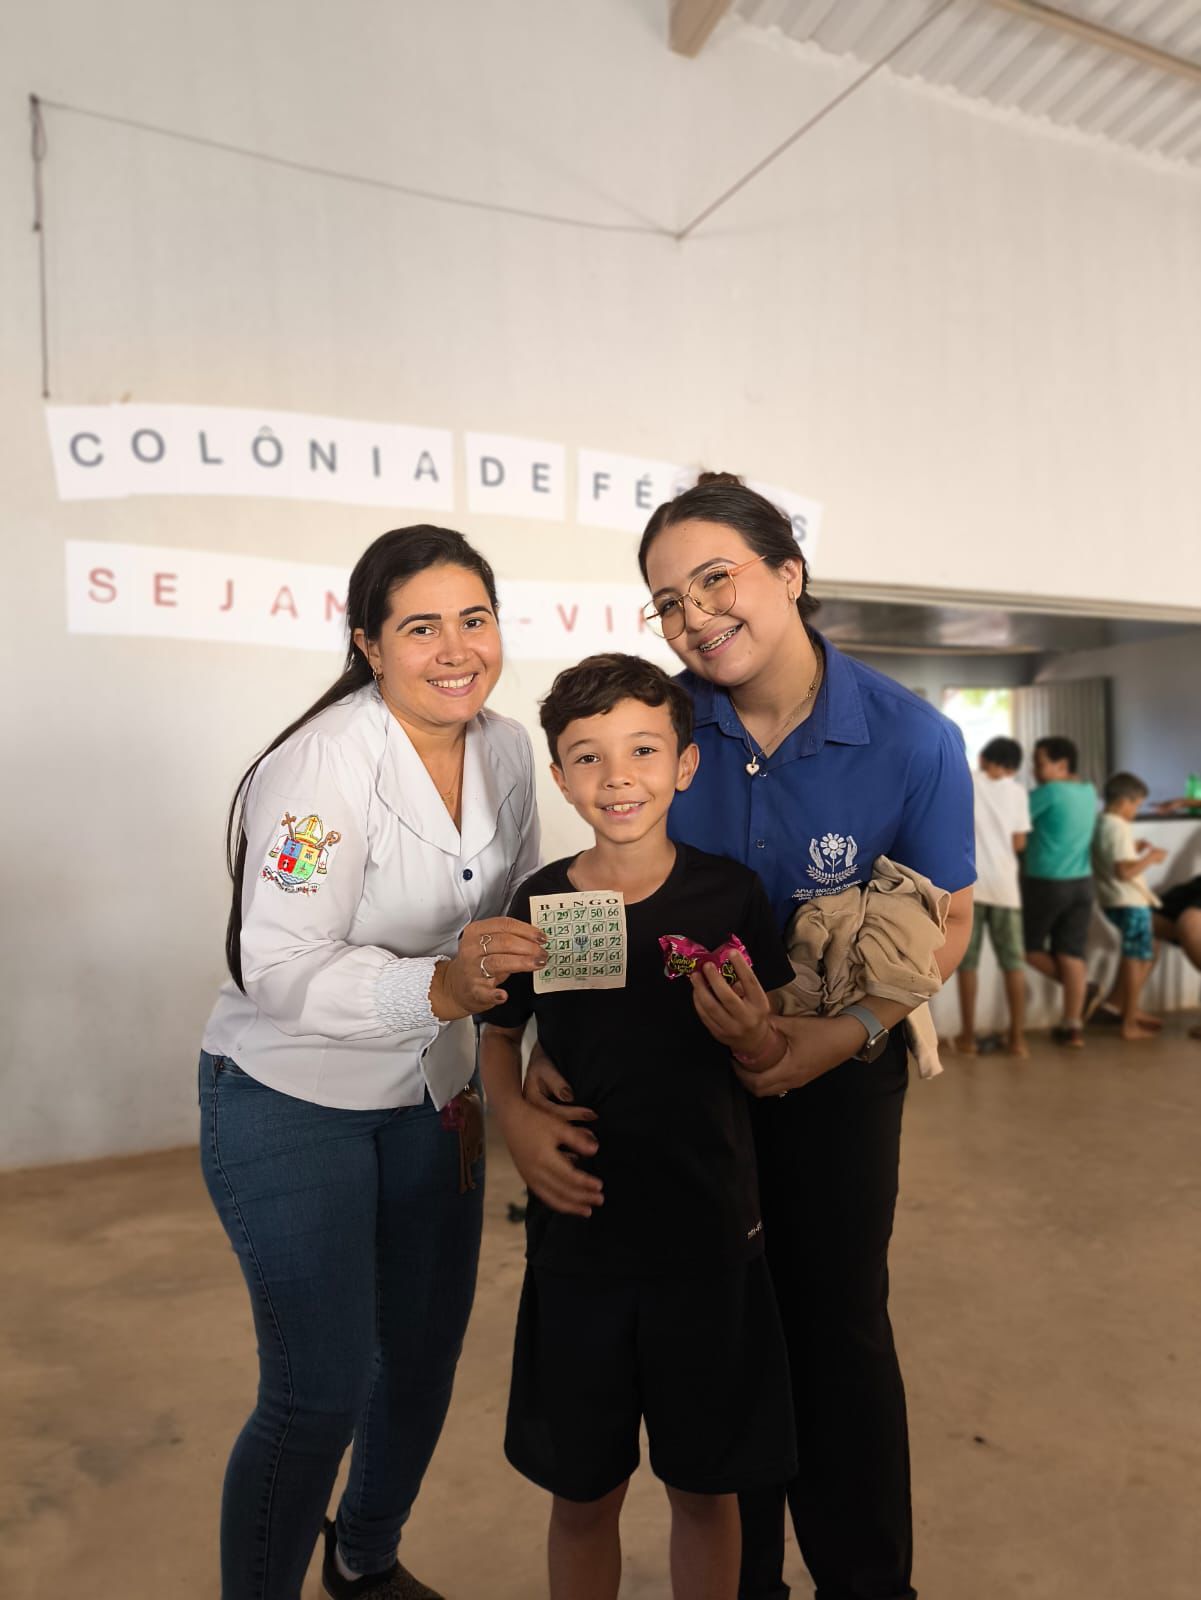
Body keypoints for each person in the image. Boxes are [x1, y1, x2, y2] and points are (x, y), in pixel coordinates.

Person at [526, 475, 975, 1600]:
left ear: (789, 571)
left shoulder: (909, 738)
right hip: (686, 1093)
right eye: (668, 601)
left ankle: (866, 1582)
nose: (695, 615)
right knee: (723, 1335)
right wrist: (537, 1061)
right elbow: (599, 902)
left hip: (839, 1077)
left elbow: (948, 924)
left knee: (836, 1328)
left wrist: (836, 1036)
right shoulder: (660, 729)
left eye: (715, 578)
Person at [198, 526, 547, 1600]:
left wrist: (531, 1040)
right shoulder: (321, 764)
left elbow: (516, 917)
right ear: (369, 643)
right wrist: (436, 989)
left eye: (474, 619)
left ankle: (364, 1558)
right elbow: (276, 966)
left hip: (434, 1097)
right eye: (421, 627)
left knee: (424, 1355)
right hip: (290, 1096)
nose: (455, 649)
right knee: (318, 1390)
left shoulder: (506, 748)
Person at [481, 653, 798, 1600]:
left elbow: (772, 1048)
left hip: (708, 1240)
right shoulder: (543, 900)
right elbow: (497, 1032)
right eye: (588, 756)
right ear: (559, 775)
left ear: (685, 765)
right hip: (579, 1247)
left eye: (643, 750)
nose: (617, 777)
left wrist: (755, 1038)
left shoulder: (730, 895)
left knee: (705, 1488)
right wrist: (513, 1120)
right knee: (583, 1495)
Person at [954, 736, 1031, 1057]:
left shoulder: (967, 781)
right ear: (1013, 766)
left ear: (985, 757)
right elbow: (1019, 844)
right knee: (1013, 964)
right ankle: (1017, 1040)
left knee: (967, 965)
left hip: (970, 887)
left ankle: (968, 1039)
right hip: (1005, 889)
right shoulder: (1018, 793)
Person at [1022, 736, 1098, 1049]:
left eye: (1040, 764)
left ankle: (1084, 989)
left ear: (1062, 765)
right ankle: (1073, 1026)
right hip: (1083, 882)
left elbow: (1014, 820)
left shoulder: (1049, 792)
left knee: (1028, 949)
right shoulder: (1089, 791)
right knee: (1070, 953)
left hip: (1047, 882)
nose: (1035, 771)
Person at [1091, 772, 1167, 1042]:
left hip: (1113, 899)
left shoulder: (1102, 822)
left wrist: (1133, 847)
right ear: (1124, 802)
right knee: (1135, 958)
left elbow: (1111, 855)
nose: (1135, 811)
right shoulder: (1120, 827)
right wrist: (1151, 858)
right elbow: (1124, 872)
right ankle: (1129, 1022)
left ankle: (1129, 1009)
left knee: (1148, 950)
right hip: (1129, 900)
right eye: (1136, 805)